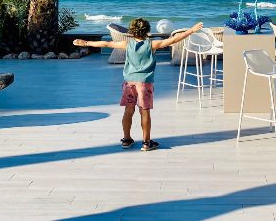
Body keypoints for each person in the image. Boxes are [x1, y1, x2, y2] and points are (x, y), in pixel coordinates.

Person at [74, 19, 204, 151]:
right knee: (144, 112)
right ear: (147, 31)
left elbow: (106, 43)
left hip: (129, 82)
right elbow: (174, 40)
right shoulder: (152, 44)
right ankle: (146, 143)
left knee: (128, 111)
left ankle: (126, 139)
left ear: (132, 32)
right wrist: (192, 30)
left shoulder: (127, 44)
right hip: (144, 83)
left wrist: (86, 43)